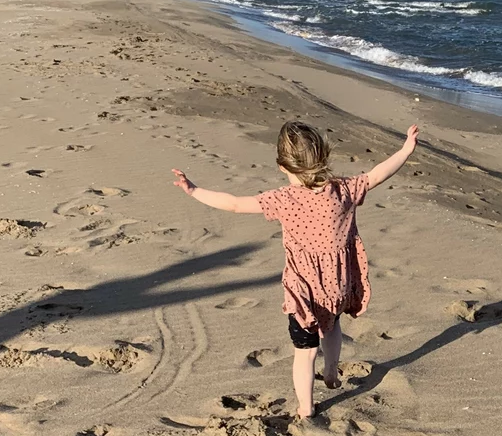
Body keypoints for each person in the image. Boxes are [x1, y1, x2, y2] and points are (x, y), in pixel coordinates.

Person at [173, 120, 419, 418]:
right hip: (338, 284)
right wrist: (406, 149)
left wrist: (193, 190)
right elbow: (377, 174)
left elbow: (235, 204)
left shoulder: (283, 199)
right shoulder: (343, 190)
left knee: (304, 353)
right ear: (323, 158)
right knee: (333, 326)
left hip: (304, 289)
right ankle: (330, 371)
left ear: (282, 166)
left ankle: (306, 407)